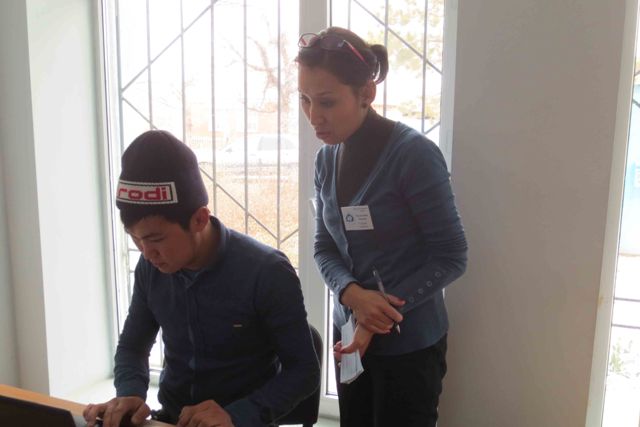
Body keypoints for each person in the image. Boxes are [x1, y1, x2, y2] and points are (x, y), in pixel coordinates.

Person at [83, 130, 320, 427]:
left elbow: (304, 371)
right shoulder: (151, 267)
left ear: (199, 219)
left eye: (155, 239)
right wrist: (130, 392)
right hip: (173, 420)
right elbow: (133, 346)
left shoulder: (267, 272)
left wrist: (237, 415)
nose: (146, 253)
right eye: (135, 238)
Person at [297, 27, 468, 427]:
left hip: (411, 347)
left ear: (366, 94)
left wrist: (379, 314)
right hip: (349, 339)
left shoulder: (414, 156)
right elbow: (324, 247)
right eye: (304, 99)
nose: (313, 116)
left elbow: (452, 256)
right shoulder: (325, 160)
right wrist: (352, 294)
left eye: (327, 101)